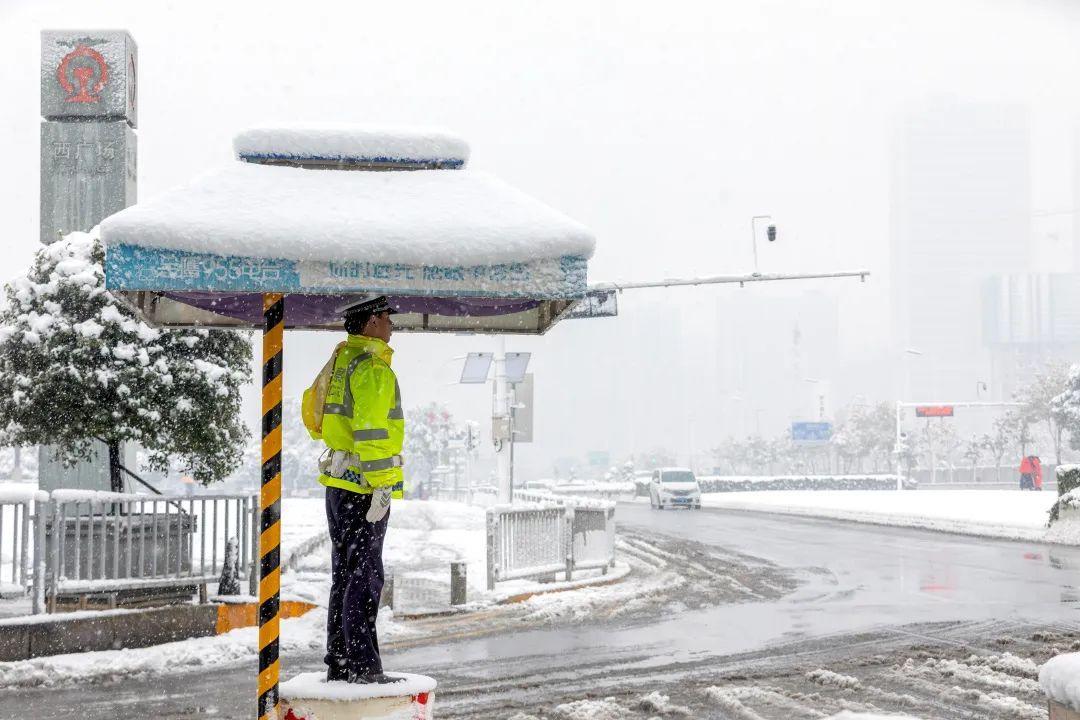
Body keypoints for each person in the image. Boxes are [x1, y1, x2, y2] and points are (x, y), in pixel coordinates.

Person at [304, 296, 405, 684]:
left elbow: (311, 414)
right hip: (364, 489)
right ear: (371, 322)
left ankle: (341, 662)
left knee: (345, 575)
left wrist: (340, 440)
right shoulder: (373, 368)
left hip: (338, 485)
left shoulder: (341, 361)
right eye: (386, 317)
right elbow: (373, 433)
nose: (391, 324)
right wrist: (382, 486)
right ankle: (363, 667)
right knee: (365, 576)